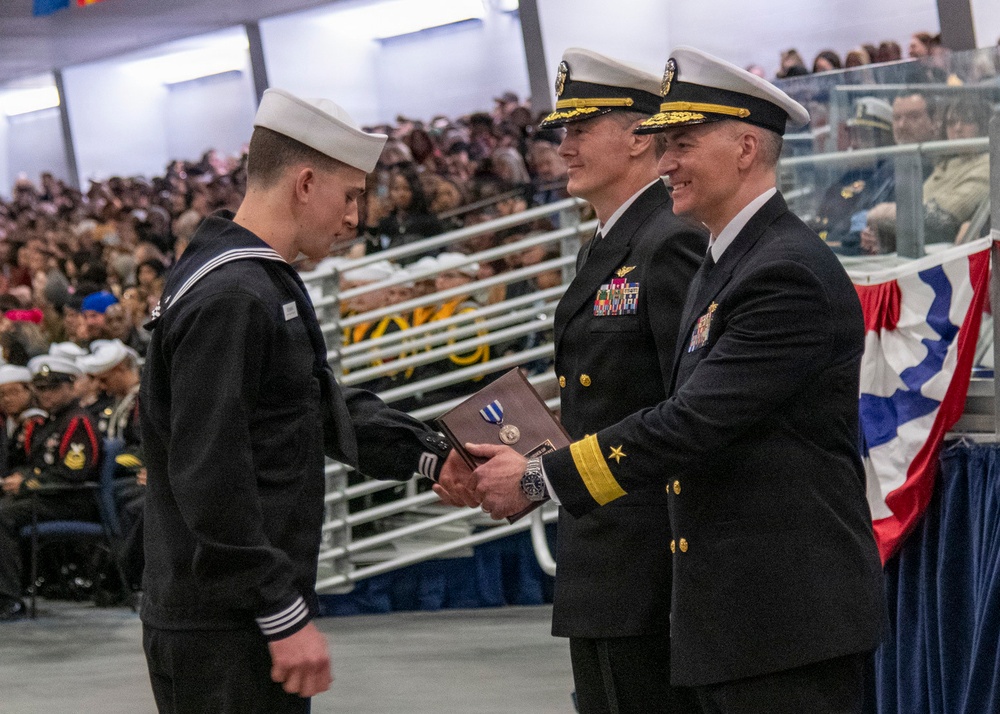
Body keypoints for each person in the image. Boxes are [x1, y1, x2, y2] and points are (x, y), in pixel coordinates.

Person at [467, 47, 885, 713]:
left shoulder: (785, 271)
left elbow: (689, 421)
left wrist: (540, 477)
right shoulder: (727, 262)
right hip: (730, 614)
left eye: (682, 145)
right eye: (662, 146)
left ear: (745, 148)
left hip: (784, 615)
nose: (665, 165)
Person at [139, 88, 462, 713]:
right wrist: (280, 614)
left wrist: (428, 457)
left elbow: (309, 407)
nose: (354, 220)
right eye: (350, 196)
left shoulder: (244, 277)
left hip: (226, 613)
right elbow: (211, 474)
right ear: (306, 183)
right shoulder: (235, 294)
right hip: (225, 623)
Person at [442, 47, 708, 713]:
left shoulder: (668, 239)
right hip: (605, 544)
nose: (563, 148)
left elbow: (687, 407)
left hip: (647, 560)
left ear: (642, 137)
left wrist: (543, 476)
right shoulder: (610, 241)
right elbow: (604, 393)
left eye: (581, 129)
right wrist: (528, 460)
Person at [0, 354, 101, 621]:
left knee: (2, 516)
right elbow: (34, 463)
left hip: (71, 500)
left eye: (54, 387)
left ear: (70, 386)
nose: (46, 394)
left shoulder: (77, 421)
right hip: (48, 496)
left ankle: (9, 598)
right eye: (41, 388)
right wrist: (21, 478)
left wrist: (28, 483)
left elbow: (74, 474)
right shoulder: (48, 421)